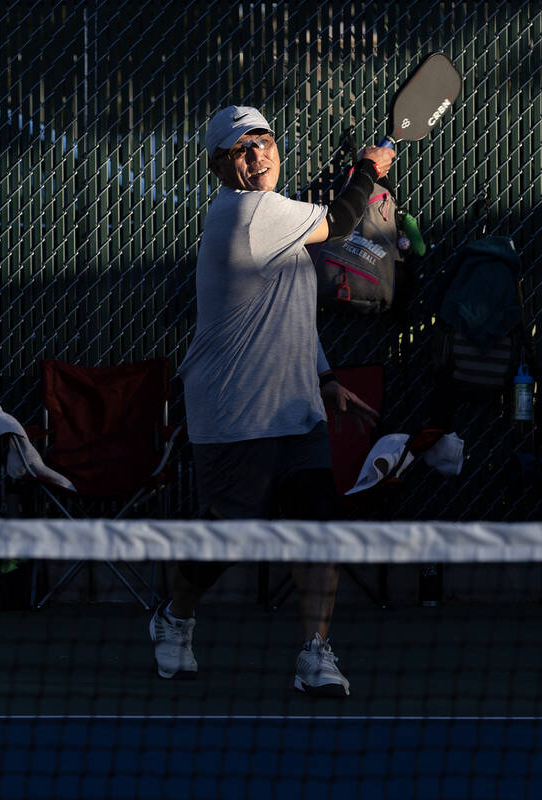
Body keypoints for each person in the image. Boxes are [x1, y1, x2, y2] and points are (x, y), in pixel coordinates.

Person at [150, 105, 393, 697]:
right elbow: (340, 220)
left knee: (317, 527)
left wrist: (325, 379)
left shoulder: (279, 219)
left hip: (295, 408)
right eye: (241, 150)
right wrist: (369, 165)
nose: (257, 156)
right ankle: (174, 617)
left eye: (263, 143)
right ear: (221, 167)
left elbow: (285, 314)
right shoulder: (248, 212)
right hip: (234, 410)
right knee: (228, 536)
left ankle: (315, 652)